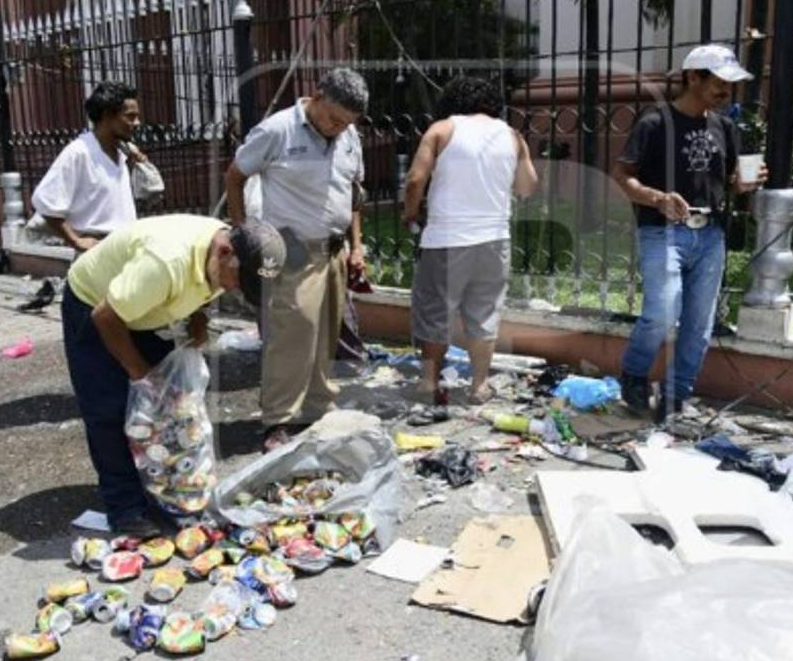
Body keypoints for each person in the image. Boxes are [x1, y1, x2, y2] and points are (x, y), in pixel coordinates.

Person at [61, 215, 286, 536]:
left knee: (168, 413)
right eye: (237, 280)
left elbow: (201, 285)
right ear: (223, 252)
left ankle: (162, 495)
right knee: (110, 408)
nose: (234, 288)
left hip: (144, 308)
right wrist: (140, 373)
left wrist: (198, 315)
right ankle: (125, 507)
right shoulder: (166, 262)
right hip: (95, 306)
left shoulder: (222, 256)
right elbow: (106, 317)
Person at [612, 44, 767, 421]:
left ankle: (676, 394)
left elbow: (725, 179)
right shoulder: (654, 123)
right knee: (663, 312)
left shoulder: (724, 126)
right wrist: (657, 198)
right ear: (692, 77)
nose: (725, 91)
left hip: (710, 233)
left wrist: (742, 184)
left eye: (730, 83)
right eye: (718, 81)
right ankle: (633, 375)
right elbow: (622, 176)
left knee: (699, 323)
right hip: (662, 231)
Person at [224, 69, 369, 452]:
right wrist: (244, 235)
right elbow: (235, 176)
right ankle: (278, 420)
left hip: (334, 250)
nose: (338, 128)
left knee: (325, 333)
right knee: (290, 334)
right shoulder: (277, 131)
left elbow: (354, 194)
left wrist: (357, 246)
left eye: (346, 123)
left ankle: (318, 408)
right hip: (290, 251)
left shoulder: (349, 135)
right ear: (317, 95)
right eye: (334, 119)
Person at [403, 76, 539, 404]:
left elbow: (415, 179)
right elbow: (527, 186)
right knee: (484, 314)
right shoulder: (512, 136)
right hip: (495, 240)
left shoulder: (441, 130)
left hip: (447, 240)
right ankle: (479, 386)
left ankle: (429, 383)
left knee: (436, 314)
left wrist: (410, 214)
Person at [32, 81, 145, 255]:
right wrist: (75, 240)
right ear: (108, 115)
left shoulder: (123, 151)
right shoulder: (79, 152)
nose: (137, 123)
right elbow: (46, 202)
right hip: (97, 254)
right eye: (130, 116)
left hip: (126, 249)